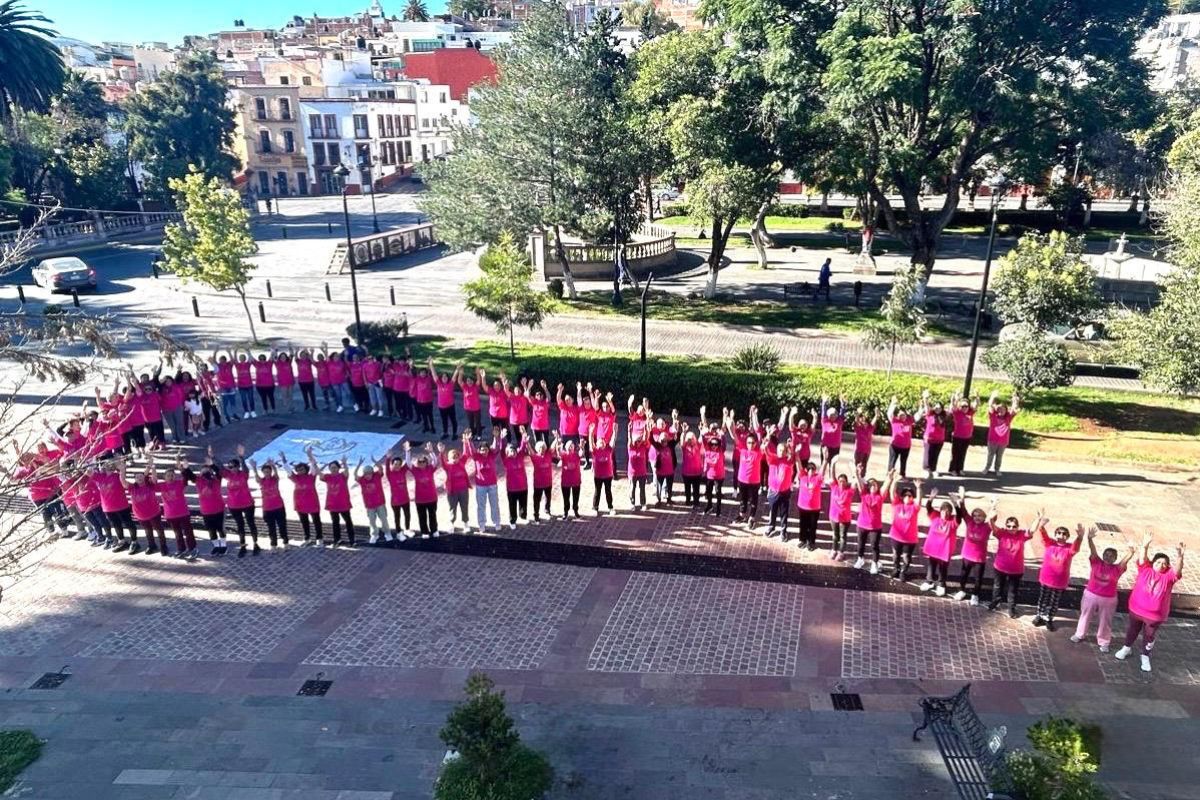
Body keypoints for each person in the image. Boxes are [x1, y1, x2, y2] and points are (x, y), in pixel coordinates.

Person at [1115, 535, 1185, 672]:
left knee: (1149, 636)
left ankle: (1145, 656)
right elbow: (1142, 558)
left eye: (1164, 563)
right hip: (1136, 610)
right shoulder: (1145, 570)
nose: (1161, 565)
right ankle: (1126, 648)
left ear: (1168, 566)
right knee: (1132, 630)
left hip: (1154, 616)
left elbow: (1177, 571)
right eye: (1158, 562)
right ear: (1152, 563)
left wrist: (1180, 557)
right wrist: (1145, 546)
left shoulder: (1169, 577)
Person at [1072, 529, 1133, 653]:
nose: (1108, 557)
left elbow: (1126, 559)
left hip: (1108, 599)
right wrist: (1090, 539)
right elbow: (1092, 551)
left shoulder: (1118, 569)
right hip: (1090, 595)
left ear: (1115, 558)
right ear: (1102, 554)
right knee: (1085, 616)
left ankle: (1104, 641)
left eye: (1111, 556)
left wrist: (1131, 551)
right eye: (1106, 554)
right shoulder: (1096, 562)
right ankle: (1079, 634)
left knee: (1106, 621)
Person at [988, 511, 1043, 618]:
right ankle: (995, 602)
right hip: (1000, 567)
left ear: (1017, 527)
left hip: (1016, 570)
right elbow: (993, 527)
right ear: (1006, 526)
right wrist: (991, 517)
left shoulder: (1022, 535)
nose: (1011, 528)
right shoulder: (1002, 533)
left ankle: (1011, 609)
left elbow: (1032, 530)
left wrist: (1039, 518)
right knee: (997, 586)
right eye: (1008, 526)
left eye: (1014, 526)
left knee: (1012, 591)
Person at [1032, 522, 1084, 630]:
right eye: (1059, 533)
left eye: (1064, 533)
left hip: (1059, 580)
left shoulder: (1069, 549)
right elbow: (1043, 535)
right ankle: (1040, 615)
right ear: (1055, 535)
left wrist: (1079, 537)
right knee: (1043, 598)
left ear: (1068, 536)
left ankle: (1049, 618)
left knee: (1054, 601)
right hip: (1046, 578)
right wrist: (1041, 525)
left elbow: (1076, 547)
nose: (1061, 535)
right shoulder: (1049, 543)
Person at [921, 485, 965, 596]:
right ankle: (929, 581)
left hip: (945, 550)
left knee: (943, 568)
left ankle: (941, 584)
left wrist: (956, 504)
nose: (944, 514)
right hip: (933, 548)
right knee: (931, 565)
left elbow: (959, 516)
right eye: (943, 511)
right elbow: (928, 508)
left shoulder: (953, 522)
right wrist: (931, 498)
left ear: (950, 512)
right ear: (940, 511)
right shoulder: (935, 516)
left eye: (947, 512)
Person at [953, 498, 998, 604]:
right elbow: (963, 511)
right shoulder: (969, 522)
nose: (977, 518)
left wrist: (994, 506)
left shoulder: (987, 526)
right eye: (975, 515)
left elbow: (994, 517)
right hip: (967, 555)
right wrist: (962, 499)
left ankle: (975, 595)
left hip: (979, 558)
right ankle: (961, 590)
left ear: (984, 517)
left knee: (978, 578)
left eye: (980, 515)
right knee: (963, 575)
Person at [221, 445, 261, 557]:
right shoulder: (227, 475)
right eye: (230, 467)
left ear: (238, 467)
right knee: (240, 525)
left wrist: (241, 458)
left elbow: (245, 468)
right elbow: (219, 467)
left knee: (251, 523)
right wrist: (213, 457)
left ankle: (256, 544)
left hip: (247, 503)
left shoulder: (243, 474)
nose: (232, 468)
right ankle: (243, 545)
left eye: (234, 466)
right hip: (234, 505)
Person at [127, 456, 169, 556]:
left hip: (154, 513)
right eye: (137, 477)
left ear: (144, 477)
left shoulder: (150, 484)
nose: (139, 478)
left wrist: (152, 467)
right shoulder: (132, 488)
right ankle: (152, 545)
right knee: (148, 531)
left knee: (159, 530)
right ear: (135, 479)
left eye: (141, 476)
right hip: (141, 515)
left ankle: (163, 546)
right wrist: (122, 470)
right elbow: (123, 480)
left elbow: (154, 478)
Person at [282, 448, 324, 546]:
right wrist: (283, 459)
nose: (300, 471)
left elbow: (313, 465)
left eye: (302, 469)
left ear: (306, 469)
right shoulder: (295, 478)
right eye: (298, 470)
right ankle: (307, 538)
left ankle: (319, 538)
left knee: (316, 521)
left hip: (312, 502)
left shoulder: (311, 476)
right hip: (300, 503)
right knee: (304, 522)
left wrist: (310, 455)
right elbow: (287, 469)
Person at [463, 429, 502, 532]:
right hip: (481, 486)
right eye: (482, 449)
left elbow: (497, 447)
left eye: (486, 449)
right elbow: (471, 451)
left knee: (494, 504)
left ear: (488, 450)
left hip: (492, 485)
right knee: (481, 505)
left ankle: (497, 522)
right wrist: (469, 440)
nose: (484, 451)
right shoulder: (476, 457)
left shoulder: (491, 455)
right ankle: (482, 524)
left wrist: (496, 437)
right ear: (479, 450)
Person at [852, 466, 889, 574]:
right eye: (871, 485)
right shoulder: (864, 494)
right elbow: (859, 484)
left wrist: (889, 478)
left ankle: (874, 563)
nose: (873, 486)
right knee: (860, 544)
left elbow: (885, 486)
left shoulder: (880, 496)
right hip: (862, 525)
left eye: (875, 484)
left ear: (877, 486)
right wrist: (858, 474)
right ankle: (860, 559)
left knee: (874, 546)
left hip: (875, 527)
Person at [887, 474, 922, 581]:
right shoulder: (897, 504)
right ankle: (896, 568)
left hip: (909, 538)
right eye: (905, 495)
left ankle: (903, 571)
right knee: (895, 555)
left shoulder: (914, 508)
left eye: (910, 495)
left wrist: (918, 487)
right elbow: (892, 493)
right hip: (896, 536)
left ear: (912, 497)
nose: (907, 497)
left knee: (906, 556)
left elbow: (919, 500)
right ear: (902, 497)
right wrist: (894, 481)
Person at [250, 457, 290, 549]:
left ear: (270, 472)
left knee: (282, 526)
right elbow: (256, 476)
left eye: (268, 471)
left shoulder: (275, 479)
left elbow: (276, 473)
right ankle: (273, 544)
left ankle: (286, 542)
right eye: (265, 472)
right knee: (271, 528)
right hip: (267, 508)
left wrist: (273, 465)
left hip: (279, 506)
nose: (267, 473)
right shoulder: (261, 481)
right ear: (263, 472)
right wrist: (254, 467)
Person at [356, 455, 393, 544]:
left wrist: (375, 461)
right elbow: (355, 475)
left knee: (384, 519)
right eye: (366, 474)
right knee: (372, 521)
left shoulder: (377, 476)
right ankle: (374, 534)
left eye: (369, 473)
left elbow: (380, 468)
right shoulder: (362, 480)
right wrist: (358, 465)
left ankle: (387, 533)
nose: (367, 476)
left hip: (380, 503)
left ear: (372, 473)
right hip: (369, 505)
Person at [320, 457, 355, 547]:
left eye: (335, 467)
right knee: (335, 523)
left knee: (348, 522)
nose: (333, 469)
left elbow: (347, 471)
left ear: (339, 468)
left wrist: (345, 463)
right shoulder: (328, 477)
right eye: (331, 468)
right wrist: (322, 466)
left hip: (343, 503)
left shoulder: (343, 476)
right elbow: (318, 473)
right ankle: (337, 540)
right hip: (332, 504)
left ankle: (352, 540)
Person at [408, 441, 441, 537]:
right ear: (417, 463)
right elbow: (409, 463)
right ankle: (424, 532)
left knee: (432, 516)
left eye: (423, 461)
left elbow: (435, 461)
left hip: (432, 498)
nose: (422, 463)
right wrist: (407, 452)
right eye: (420, 462)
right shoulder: (415, 470)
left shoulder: (430, 468)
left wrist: (431, 452)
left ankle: (434, 530)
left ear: (427, 462)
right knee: (422, 517)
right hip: (420, 500)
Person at [764, 439, 795, 540]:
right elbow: (767, 452)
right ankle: (771, 526)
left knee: (784, 512)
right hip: (773, 491)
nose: (781, 452)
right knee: (772, 510)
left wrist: (790, 447)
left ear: (786, 452)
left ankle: (783, 530)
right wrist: (766, 444)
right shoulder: (773, 459)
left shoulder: (789, 461)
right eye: (779, 450)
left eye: (783, 450)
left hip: (784, 491)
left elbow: (793, 456)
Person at [984, 390, 1020, 476]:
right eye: (999, 409)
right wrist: (993, 397)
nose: (1001, 411)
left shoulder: (1008, 417)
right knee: (990, 455)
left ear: (1006, 411)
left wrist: (1015, 400)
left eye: (1003, 409)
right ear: (997, 410)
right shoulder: (993, 416)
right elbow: (990, 405)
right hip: (992, 440)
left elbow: (1014, 409)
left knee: (999, 457)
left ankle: (997, 470)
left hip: (1003, 441)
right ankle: (987, 468)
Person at [700, 407, 727, 516]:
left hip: (719, 475)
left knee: (718, 492)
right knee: (709, 492)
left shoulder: (721, 449)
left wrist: (725, 416)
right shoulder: (707, 447)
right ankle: (709, 506)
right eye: (713, 444)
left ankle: (718, 509)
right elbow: (703, 434)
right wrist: (702, 414)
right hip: (710, 475)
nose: (714, 446)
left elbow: (723, 436)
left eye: (716, 444)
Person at [500, 430, 530, 528]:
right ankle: (512, 520)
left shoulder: (520, 456)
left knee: (523, 503)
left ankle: (523, 516)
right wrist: (502, 438)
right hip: (511, 488)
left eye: (513, 451)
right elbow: (502, 450)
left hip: (522, 486)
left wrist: (523, 437)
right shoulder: (506, 460)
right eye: (510, 451)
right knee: (512, 505)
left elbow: (522, 446)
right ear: (507, 453)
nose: (512, 452)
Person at [439, 443, 471, 532]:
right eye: (453, 457)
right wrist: (441, 453)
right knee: (452, 508)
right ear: (449, 458)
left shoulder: (461, 462)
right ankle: (451, 524)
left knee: (464, 507)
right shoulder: (447, 466)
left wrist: (465, 442)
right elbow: (442, 462)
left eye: (456, 457)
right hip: (452, 492)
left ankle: (465, 523)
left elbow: (466, 453)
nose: (455, 459)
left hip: (463, 490)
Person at [826, 464, 856, 561]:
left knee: (843, 536)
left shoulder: (849, 491)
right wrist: (833, 465)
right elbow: (832, 476)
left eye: (844, 481)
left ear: (847, 482)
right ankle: (834, 549)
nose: (841, 483)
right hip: (833, 517)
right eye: (840, 481)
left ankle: (841, 552)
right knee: (835, 535)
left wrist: (855, 472)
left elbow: (855, 482)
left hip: (845, 519)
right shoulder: (834, 487)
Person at [917, 390, 948, 479]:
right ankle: (926, 470)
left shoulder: (944, 416)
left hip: (939, 440)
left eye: (939, 408)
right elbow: (926, 406)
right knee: (927, 455)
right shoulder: (930, 414)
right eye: (936, 407)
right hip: (929, 439)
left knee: (935, 455)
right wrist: (925, 398)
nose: (938, 409)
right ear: (934, 408)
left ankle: (933, 469)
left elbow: (951, 409)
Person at [795, 459, 823, 550]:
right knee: (803, 524)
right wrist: (797, 456)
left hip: (814, 508)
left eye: (813, 469)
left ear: (815, 470)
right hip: (803, 506)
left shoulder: (817, 478)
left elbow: (823, 470)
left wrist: (826, 460)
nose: (811, 471)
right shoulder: (803, 477)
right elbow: (799, 466)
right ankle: (803, 540)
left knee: (812, 526)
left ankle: (811, 542)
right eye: (809, 469)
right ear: (806, 470)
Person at [947, 393, 977, 477]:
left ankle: (960, 469)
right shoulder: (957, 413)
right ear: (960, 407)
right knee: (955, 454)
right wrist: (954, 398)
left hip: (967, 437)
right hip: (957, 437)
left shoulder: (970, 413)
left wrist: (977, 397)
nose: (964, 408)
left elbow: (976, 405)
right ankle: (952, 469)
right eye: (963, 406)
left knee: (962, 454)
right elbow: (952, 406)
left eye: (966, 406)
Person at [384, 449, 412, 538]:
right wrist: (388, 458)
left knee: (407, 515)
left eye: (399, 464)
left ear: (401, 465)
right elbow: (387, 467)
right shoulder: (390, 474)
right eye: (395, 464)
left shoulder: (403, 471)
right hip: (395, 501)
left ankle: (407, 529)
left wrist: (407, 452)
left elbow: (407, 463)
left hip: (405, 499)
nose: (397, 466)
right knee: (397, 517)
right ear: (392, 465)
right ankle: (399, 532)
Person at [430, 358, 460, 437]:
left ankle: (454, 433)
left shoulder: (451, 384)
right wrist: (431, 365)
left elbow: (454, 376)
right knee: (444, 420)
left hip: (450, 406)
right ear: (441, 378)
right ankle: (445, 433)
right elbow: (434, 374)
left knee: (453, 420)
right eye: (443, 377)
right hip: (442, 407)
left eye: (446, 377)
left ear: (448, 378)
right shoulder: (438, 383)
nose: (444, 378)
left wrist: (457, 368)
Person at [554, 435, 582, 519]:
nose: (570, 448)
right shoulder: (564, 455)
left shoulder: (577, 455)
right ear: (566, 447)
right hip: (566, 482)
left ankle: (575, 510)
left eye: (572, 446)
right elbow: (558, 452)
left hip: (576, 481)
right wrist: (557, 441)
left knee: (575, 497)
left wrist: (582, 446)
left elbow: (581, 453)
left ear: (574, 448)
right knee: (566, 498)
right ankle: (566, 512)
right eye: (569, 446)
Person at [818, 395, 846, 479]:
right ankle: (821, 479)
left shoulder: (839, 421)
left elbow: (843, 412)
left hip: (836, 446)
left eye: (834, 415)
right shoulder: (824, 421)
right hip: (825, 446)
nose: (832, 416)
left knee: (832, 463)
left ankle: (831, 479)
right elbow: (823, 411)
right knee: (823, 462)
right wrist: (824, 402)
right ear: (828, 415)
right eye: (831, 415)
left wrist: (843, 403)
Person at [886, 396, 914, 477]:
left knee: (903, 462)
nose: (903, 416)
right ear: (897, 415)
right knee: (892, 461)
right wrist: (893, 404)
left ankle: (902, 475)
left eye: (904, 414)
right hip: (895, 446)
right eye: (901, 415)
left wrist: (922, 406)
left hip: (906, 446)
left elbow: (918, 416)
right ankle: (889, 475)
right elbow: (889, 413)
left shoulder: (909, 421)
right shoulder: (894, 420)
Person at [627, 425, 651, 511]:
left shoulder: (643, 447)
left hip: (642, 472)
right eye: (637, 440)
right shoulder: (630, 447)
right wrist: (629, 431)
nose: (638, 442)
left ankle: (643, 503)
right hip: (632, 472)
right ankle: (632, 503)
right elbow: (629, 439)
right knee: (632, 488)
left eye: (640, 440)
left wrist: (646, 430)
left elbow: (647, 438)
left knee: (642, 489)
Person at [679, 425, 704, 510]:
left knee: (696, 489)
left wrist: (700, 431)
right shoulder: (684, 447)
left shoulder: (698, 445)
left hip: (697, 472)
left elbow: (701, 437)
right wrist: (683, 432)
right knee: (687, 488)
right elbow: (681, 441)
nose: (690, 440)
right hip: (686, 473)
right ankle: (688, 500)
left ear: (694, 438)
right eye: (688, 439)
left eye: (692, 438)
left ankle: (696, 502)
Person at [591, 432, 616, 515]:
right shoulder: (595, 451)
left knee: (608, 491)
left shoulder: (609, 449)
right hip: (598, 476)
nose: (602, 443)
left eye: (603, 442)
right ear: (597, 444)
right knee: (597, 492)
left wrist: (614, 431)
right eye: (600, 442)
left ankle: (610, 507)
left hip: (608, 476)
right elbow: (591, 444)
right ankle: (595, 508)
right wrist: (591, 433)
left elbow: (613, 440)